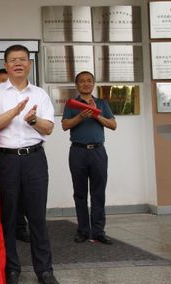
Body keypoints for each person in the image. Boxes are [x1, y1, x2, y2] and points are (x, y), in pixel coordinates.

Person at [0, 45, 59, 284]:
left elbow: (48, 127)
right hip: (5, 160)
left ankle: (45, 270)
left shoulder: (40, 94)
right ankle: (11, 269)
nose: (18, 63)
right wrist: (15, 112)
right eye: (12, 60)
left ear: (29, 64)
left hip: (34, 159)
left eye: (22, 59)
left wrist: (33, 120)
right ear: (6, 65)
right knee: (7, 217)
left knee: (37, 216)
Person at [61, 71, 117, 245]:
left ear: (93, 84)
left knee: (98, 192)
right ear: (77, 85)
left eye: (89, 81)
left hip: (98, 152)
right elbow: (64, 125)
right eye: (82, 81)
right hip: (78, 152)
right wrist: (80, 116)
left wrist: (96, 115)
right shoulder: (72, 104)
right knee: (80, 193)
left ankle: (98, 231)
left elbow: (113, 125)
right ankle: (83, 231)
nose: (86, 84)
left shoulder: (101, 103)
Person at [0, 67, 30, 243]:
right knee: (6, 196)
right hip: (0, 153)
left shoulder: (30, 96)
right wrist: (14, 112)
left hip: (26, 155)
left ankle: (21, 227)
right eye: (1, 81)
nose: (5, 84)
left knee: (23, 194)